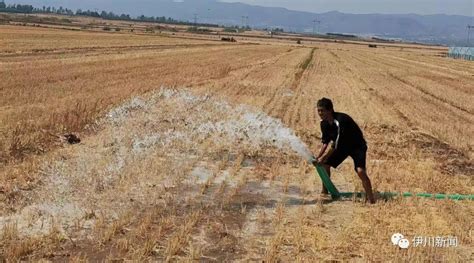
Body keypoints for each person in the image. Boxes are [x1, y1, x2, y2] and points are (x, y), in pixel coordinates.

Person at [312, 98, 375, 204]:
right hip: (343, 147)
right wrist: (318, 157)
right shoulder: (324, 124)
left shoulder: (341, 120)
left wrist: (323, 157)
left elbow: (335, 144)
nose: (320, 113)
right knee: (325, 165)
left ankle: (371, 199)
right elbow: (325, 142)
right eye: (318, 110)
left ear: (330, 110)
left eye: (322, 110)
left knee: (360, 171)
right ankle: (325, 190)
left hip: (357, 146)